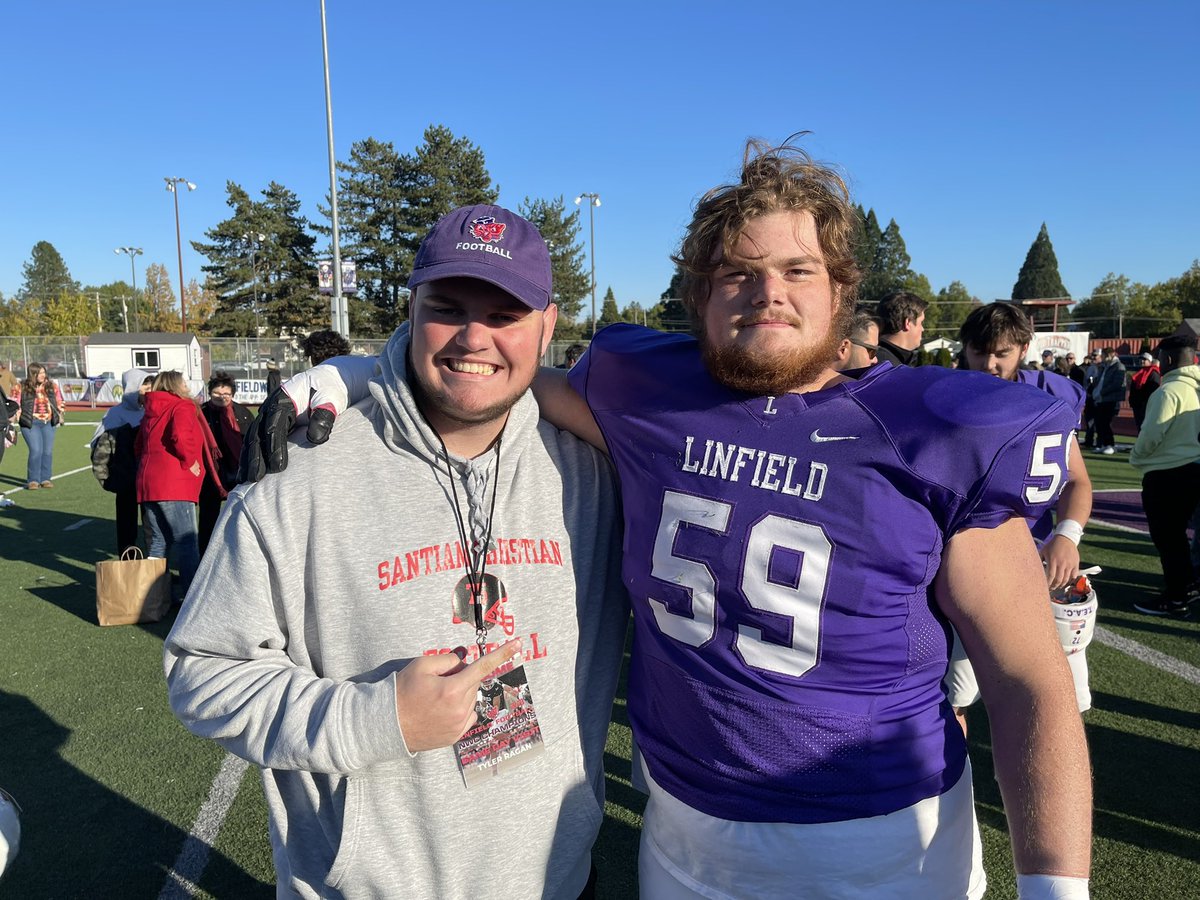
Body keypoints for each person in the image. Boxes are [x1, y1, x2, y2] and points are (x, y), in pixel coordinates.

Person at [261, 143, 1092, 898]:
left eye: (799, 271)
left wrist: (1058, 893)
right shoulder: (642, 391)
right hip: (679, 835)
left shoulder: (932, 430)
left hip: (879, 845)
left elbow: (1029, 680)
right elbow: (492, 375)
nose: (768, 293)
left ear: (842, 292)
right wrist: (358, 367)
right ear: (699, 295)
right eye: (738, 272)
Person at [165, 204, 628, 898]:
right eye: (448, 307)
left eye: (505, 314)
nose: (475, 337)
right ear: (411, 309)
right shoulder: (302, 474)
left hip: (557, 881)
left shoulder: (596, 472)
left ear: (549, 326)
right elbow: (201, 672)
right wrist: (376, 719)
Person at [954, 303, 1096, 716]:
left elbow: (1077, 480)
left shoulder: (1050, 398)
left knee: (1057, 694)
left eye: (1001, 353)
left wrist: (1068, 536)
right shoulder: (946, 396)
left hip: (1036, 559)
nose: (989, 365)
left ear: (1022, 347)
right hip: (965, 560)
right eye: (979, 353)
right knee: (954, 693)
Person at [1130, 335, 1200, 618]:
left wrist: (1136, 457)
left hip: (1168, 472)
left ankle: (1175, 597)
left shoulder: (1168, 391)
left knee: (1168, 538)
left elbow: (1151, 435)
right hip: (1194, 467)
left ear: (1168, 359)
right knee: (1180, 537)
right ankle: (1185, 585)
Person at [137, 371, 222, 599]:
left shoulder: (150, 408)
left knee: (157, 542)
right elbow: (180, 437)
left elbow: (139, 444)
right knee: (186, 541)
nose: (187, 385)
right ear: (176, 385)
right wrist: (190, 461)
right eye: (184, 382)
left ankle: (153, 596)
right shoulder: (181, 406)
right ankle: (192, 597)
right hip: (174, 483)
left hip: (148, 482)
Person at [91, 369, 153, 556]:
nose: (148, 392)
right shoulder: (115, 414)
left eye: (151, 387)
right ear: (132, 388)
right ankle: (128, 566)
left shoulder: (152, 411)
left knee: (152, 526)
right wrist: (108, 479)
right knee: (126, 526)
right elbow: (98, 446)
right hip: (125, 480)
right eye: (144, 387)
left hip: (149, 478)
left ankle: (157, 568)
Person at [198, 372, 253, 555]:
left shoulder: (243, 413)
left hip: (238, 471)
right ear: (210, 393)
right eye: (217, 394)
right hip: (210, 473)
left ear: (233, 394)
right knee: (208, 518)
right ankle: (205, 555)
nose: (221, 398)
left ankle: (237, 553)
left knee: (240, 516)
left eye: (226, 394)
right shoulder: (201, 413)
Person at [9, 362, 65, 490]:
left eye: (44, 372)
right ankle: (33, 480)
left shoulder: (52, 386)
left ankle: (45, 479)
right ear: (33, 374)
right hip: (30, 422)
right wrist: (15, 416)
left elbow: (59, 400)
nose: (43, 375)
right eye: (40, 373)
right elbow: (14, 403)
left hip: (48, 422)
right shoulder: (21, 386)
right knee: (36, 450)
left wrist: (61, 412)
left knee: (47, 452)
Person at [875, 290, 927, 366]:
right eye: (921, 323)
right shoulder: (889, 368)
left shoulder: (872, 357)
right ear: (908, 323)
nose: (923, 329)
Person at [1091, 347, 1126, 454]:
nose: (1103, 358)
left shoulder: (1118, 366)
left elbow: (1117, 384)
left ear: (1111, 355)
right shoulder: (1105, 366)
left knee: (1106, 423)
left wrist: (1102, 392)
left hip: (1110, 399)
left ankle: (1110, 445)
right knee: (1100, 423)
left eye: (1105, 355)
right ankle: (1103, 444)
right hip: (1101, 399)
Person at [1127, 351, 1161, 432]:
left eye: (1144, 360)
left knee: (1145, 427)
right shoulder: (1140, 372)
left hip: (1145, 405)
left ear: (1150, 361)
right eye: (1141, 359)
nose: (1142, 361)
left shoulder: (1153, 373)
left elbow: (1152, 390)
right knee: (1139, 426)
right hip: (1138, 405)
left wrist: (1144, 403)